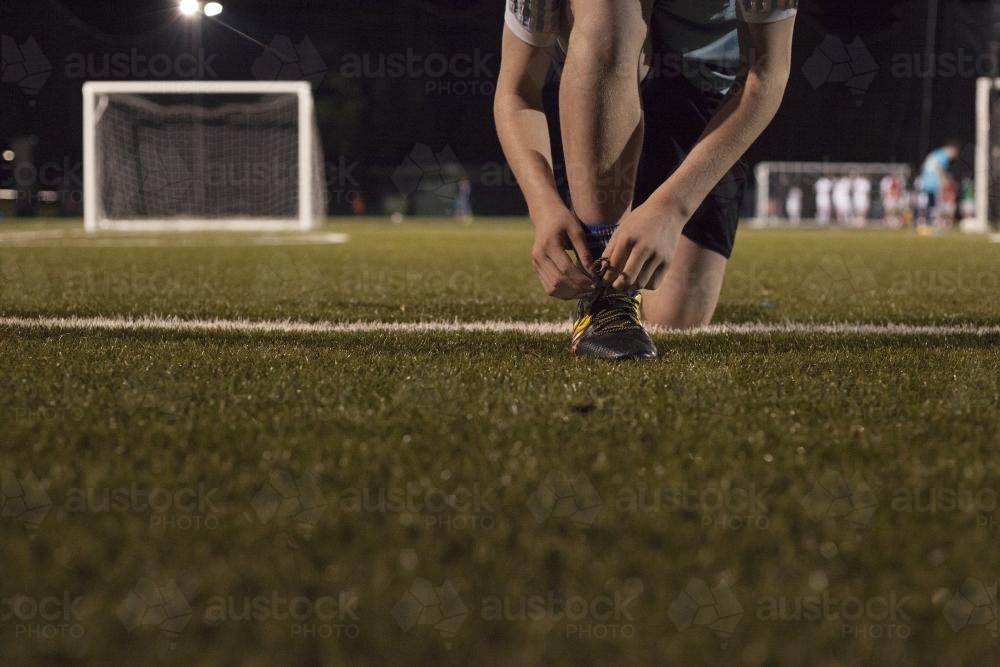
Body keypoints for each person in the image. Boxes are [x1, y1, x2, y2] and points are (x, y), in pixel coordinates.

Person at [495, 0, 797, 359]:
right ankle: (607, 299)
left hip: (711, 92)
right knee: (608, 13)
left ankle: (622, 276)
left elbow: (765, 74)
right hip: (599, 82)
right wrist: (542, 204)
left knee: (676, 318)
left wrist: (672, 208)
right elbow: (516, 88)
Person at [919, 141, 961, 228]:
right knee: (936, 204)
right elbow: (939, 168)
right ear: (952, 149)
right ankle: (932, 222)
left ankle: (926, 222)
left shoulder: (936, 153)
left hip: (926, 181)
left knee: (929, 203)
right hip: (933, 181)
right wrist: (943, 180)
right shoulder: (943, 156)